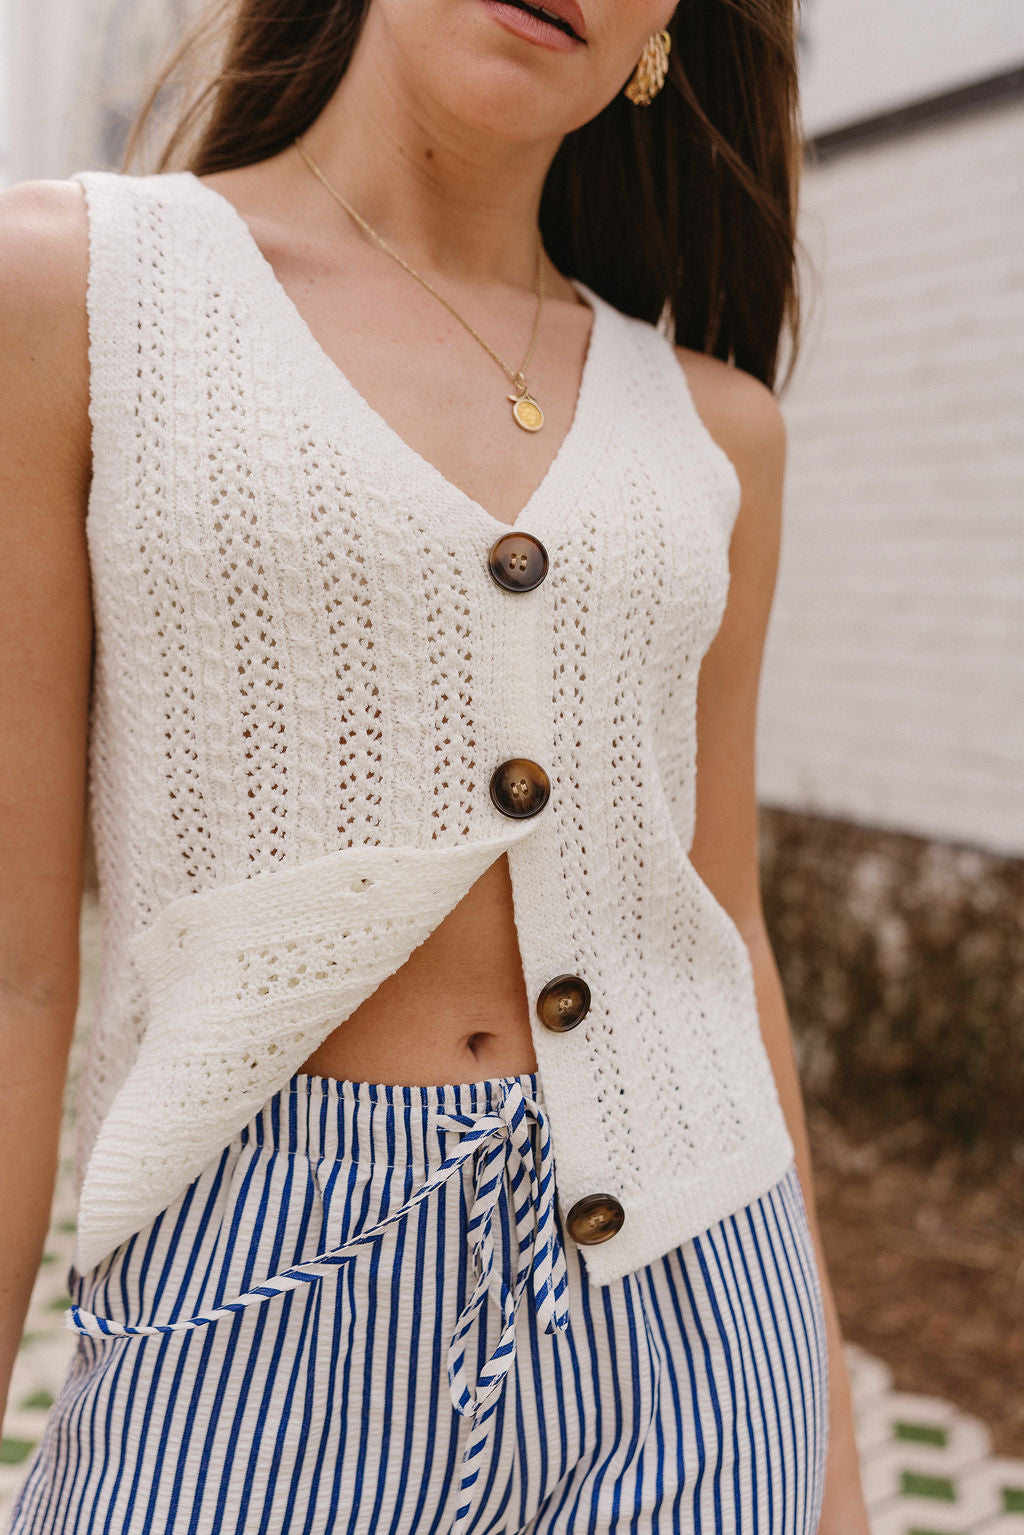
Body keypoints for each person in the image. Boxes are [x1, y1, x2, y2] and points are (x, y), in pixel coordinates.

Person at [0, 0, 870, 1529]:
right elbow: (11, 975)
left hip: (695, 1318)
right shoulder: (75, 294)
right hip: (253, 1326)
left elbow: (727, 933)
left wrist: (836, 1480)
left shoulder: (719, 437)